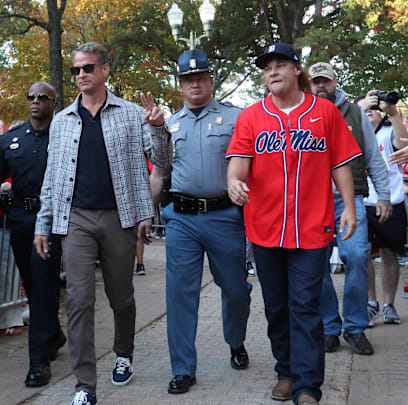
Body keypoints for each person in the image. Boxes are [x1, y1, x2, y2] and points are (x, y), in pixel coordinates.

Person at [33, 42, 171, 405]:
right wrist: (42, 225)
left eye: (89, 68)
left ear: (105, 70)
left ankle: (123, 351)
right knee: (78, 299)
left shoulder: (130, 113)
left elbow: (163, 160)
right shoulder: (62, 121)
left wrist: (159, 128)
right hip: (74, 218)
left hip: (120, 219)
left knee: (121, 296)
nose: (81, 75)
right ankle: (84, 385)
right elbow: (52, 177)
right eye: (77, 69)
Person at [226, 43, 361, 405]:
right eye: (267, 66)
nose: (273, 71)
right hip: (265, 226)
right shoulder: (251, 116)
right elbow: (238, 163)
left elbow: (340, 164)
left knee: (305, 304)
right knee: (276, 307)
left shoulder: (325, 113)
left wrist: (348, 207)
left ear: (296, 70)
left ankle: (306, 386)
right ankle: (285, 370)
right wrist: (233, 183)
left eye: (281, 64)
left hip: (313, 227)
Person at [161, 49, 250, 395]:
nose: (194, 83)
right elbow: (159, 173)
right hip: (181, 219)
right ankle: (183, 368)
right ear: (180, 85)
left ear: (211, 80)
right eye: (187, 79)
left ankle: (236, 340)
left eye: (200, 77)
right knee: (179, 295)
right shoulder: (170, 124)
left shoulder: (235, 118)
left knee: (236, 289)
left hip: (224, 216)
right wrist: (142, 213)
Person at [0, 82, 67, 388]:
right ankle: (52, 333)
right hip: (20, 220)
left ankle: (38, 362)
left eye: (43, 97)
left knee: (41, 282)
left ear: (54, 103)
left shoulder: (66, 138)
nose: (36, 102)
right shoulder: (10, 140)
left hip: (50, 219)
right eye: (31, 97)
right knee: (35, 282)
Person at [308, 62, 391, 355]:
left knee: (356, 256)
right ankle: (330, 326)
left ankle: (355, 326)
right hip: (311, 200)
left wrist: (384, 196)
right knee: (315, 264)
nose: (321, 87)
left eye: (325, 82)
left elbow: (372, 157)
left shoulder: (355, 114)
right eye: (315, 82)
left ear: (335, 82)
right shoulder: (302, 111)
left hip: (350, 197)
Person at [356, 89, 408, 327]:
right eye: (365, 110)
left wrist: (393, 113)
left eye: (373, 110)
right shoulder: (354, 133)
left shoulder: (388, 132)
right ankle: (371, 303)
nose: (370, 113)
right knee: (363, 254)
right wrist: (359, 109)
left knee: (389, 253)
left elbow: (403, 143)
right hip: (362, 201)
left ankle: (389, 304)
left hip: (392, 201)